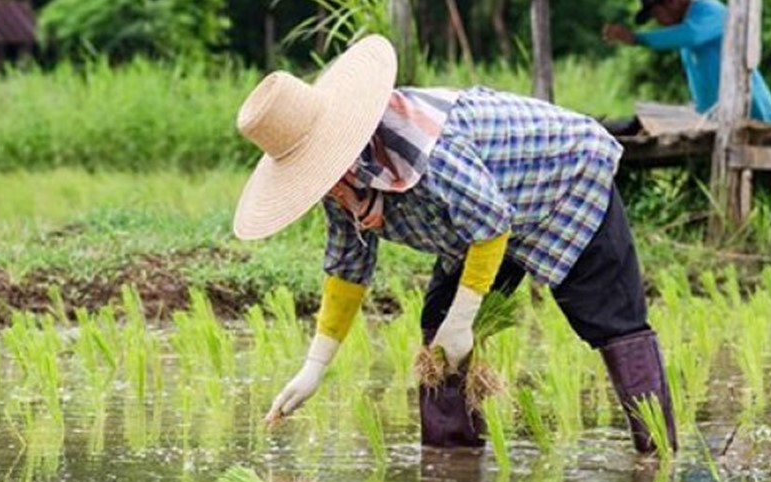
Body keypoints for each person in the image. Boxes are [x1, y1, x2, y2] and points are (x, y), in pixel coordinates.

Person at [233, 35, 675, 454]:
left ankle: (657, 457)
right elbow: (349, 265)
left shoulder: (426, 146)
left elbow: (489, 222)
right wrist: (316, 365)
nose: (324, 187)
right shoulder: (337, 181)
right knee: (439, 331)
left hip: (563, 178)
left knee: (612, 319)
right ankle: (452, 465)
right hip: (486, 215)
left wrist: (465, 319)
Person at [603, 0, 771, 123]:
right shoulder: (686, 34)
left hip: (754, 115)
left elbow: (692, 35)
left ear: (671, 1)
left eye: (657, 15)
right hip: (721, 120)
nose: (659, 23)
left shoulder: (709, 10)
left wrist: (637, 39)